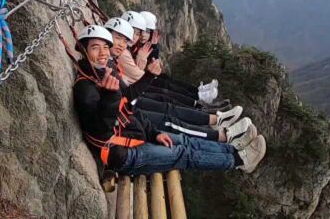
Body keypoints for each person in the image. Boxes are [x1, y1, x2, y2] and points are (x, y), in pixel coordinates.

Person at [72, 25, 267, 175]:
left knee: (182, 140)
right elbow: (101, 131)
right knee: (183, 154)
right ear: (83, 50)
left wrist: (154, 132)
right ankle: (239, 161)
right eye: (95, 48)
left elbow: (131, 109)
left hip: (135, 134)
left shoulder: (104, 74)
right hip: (122, 154)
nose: (103, 53)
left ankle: (231, 149)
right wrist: (109, 96)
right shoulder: (85, 89)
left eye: (105, 47)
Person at [102, 17, 253, 142]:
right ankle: (220, 132)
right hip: (129, 108)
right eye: (118, 38)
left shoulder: (117, 57)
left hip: (130, 102)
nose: (137, 37)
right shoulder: (119, 57)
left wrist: (152, 49)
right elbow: (136, 78)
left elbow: (128, 89)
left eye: (137, 34)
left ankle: (212, 116)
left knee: (167, 98)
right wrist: (144, 61)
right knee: (169, 113)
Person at [118, 11, 219, 105]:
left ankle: (198, 92)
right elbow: (139, 73)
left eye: (147, 31)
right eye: (141, 31)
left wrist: (154, 48)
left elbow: (152, 63)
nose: (143, 35)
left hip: (139, 82)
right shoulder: (127, 50)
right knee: (165, 88)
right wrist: (143, 59)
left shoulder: (136, 47)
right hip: (136, 86)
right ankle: (198, 97)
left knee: (166, 80)